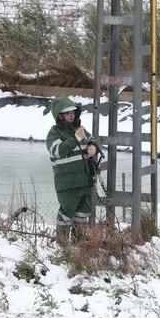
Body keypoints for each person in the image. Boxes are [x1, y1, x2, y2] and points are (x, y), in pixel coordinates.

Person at [46, 97, 97, 241]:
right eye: (67, 113)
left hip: (85, 181)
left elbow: (93, 141)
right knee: (66, 214)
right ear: (59, 115)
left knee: (83, 215)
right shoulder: (54, 133)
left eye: (73, 112)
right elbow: (58, 151)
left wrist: (94, 148)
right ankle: (62, 246)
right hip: (67, 184)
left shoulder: (80, 129)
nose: (71, 115)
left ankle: (79, 247)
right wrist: (76, 138)